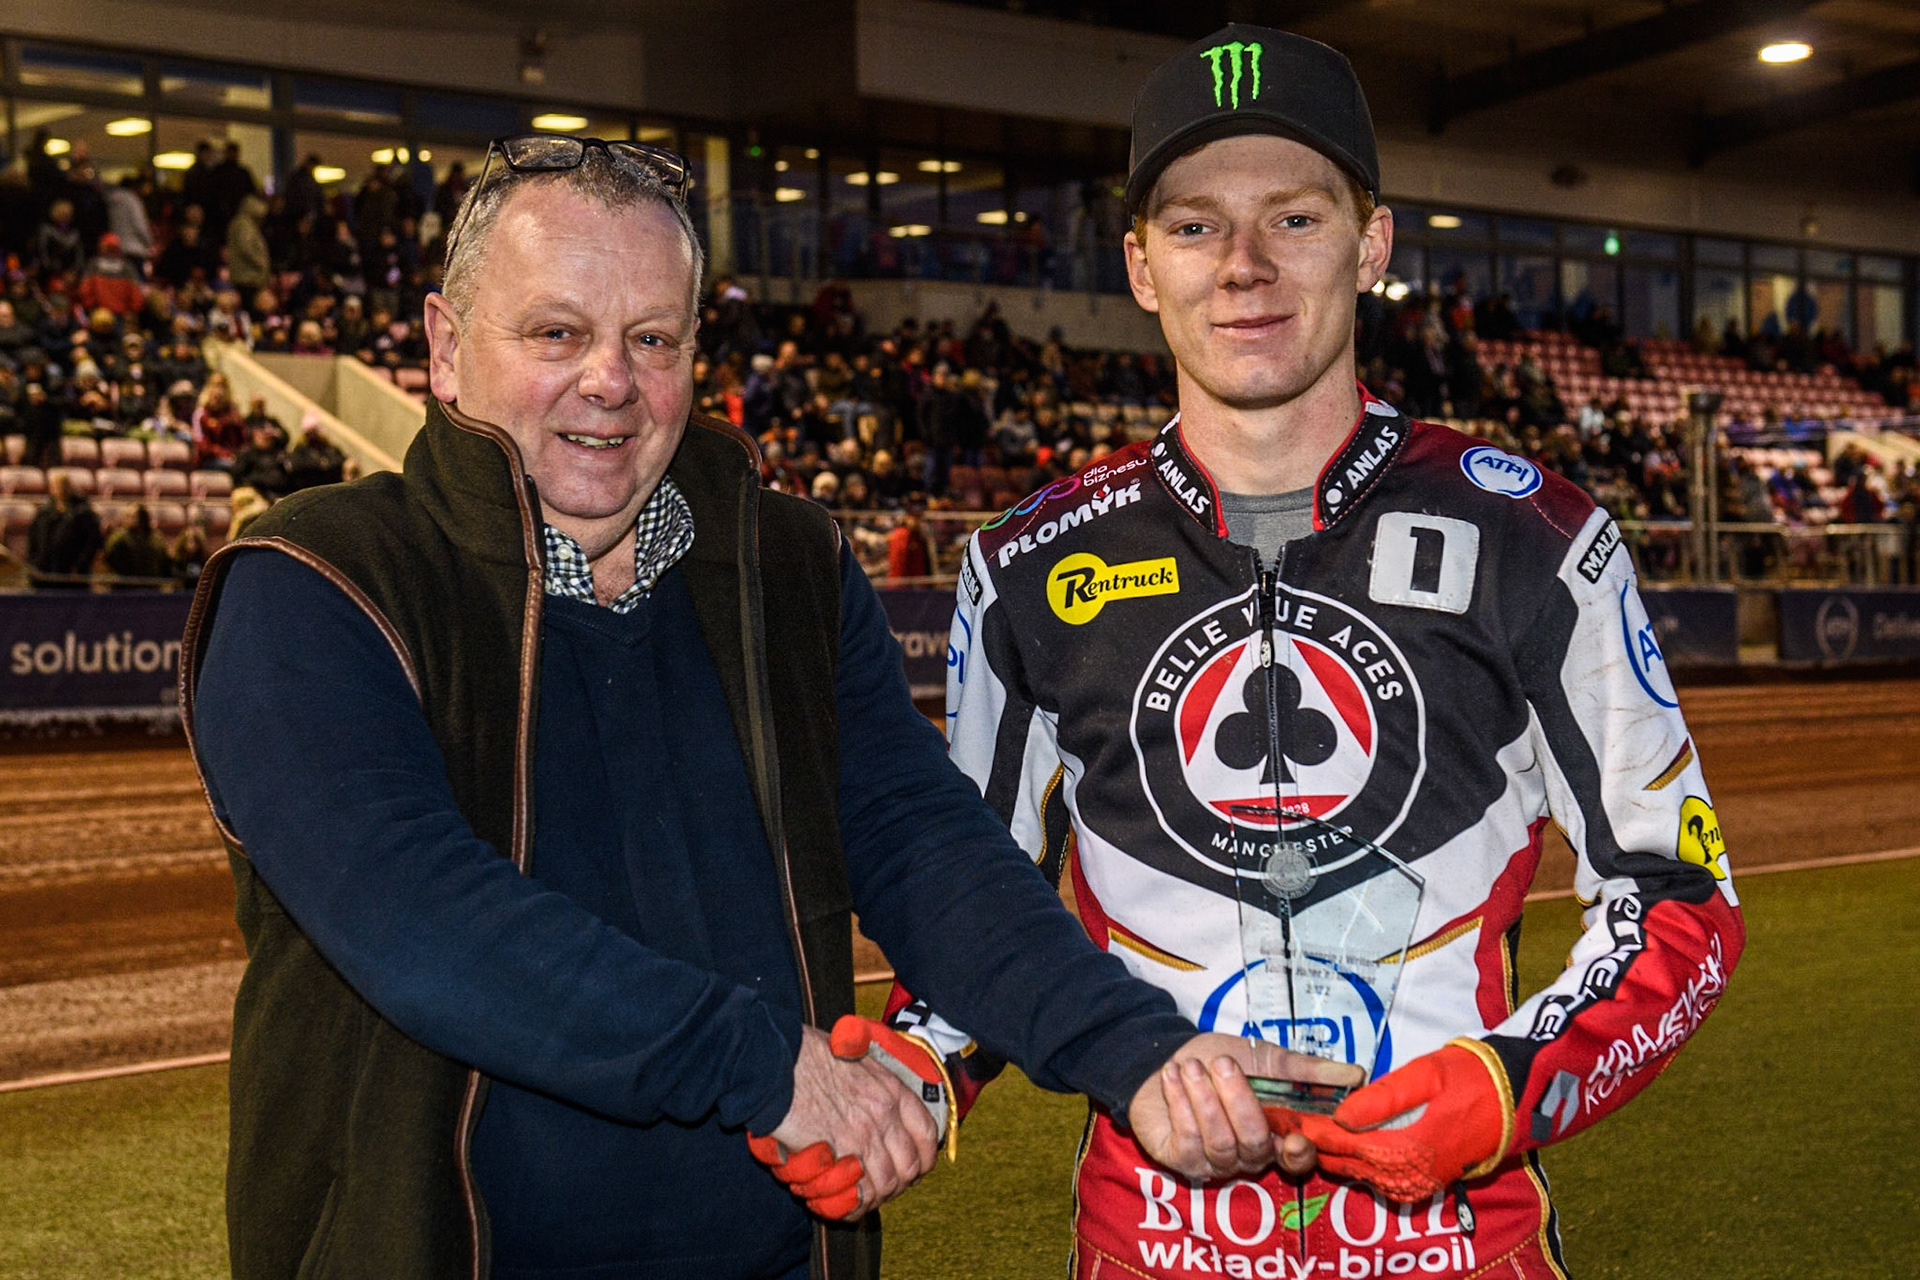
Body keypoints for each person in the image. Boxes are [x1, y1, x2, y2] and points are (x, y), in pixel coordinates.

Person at [182, 136, 1330, 1280]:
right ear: (443, 347)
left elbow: (925, 846)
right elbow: (421, 919)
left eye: (652, 338)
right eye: (555, 334)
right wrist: (764, 1062)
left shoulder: (782, 565)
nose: (609, 381)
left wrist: (1141, 1050)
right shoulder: (313, 582)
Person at [897, 25, 1745, 1280]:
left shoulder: (1534, 534)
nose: (1242, 265)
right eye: (1194, 226)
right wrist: (915, 1074)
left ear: (1374, 242)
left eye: (1293, 217)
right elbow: (979, 913)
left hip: (1460, 1243)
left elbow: (1681, 896)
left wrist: (1510, 1085)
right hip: (1152, 1247)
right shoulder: (1023, 569)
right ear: (1139, 264)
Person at [27, 470, 102, 587]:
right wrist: (34, 564)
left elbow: (92, 543)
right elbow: (33, 540)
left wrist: (80, 565)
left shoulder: (84, 513)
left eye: (64, 485)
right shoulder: (44, 512)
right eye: (57, 485)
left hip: (72, 573)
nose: (60, 489)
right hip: (44, 572)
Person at [102, 503, 173, 584]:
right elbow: (109, 556)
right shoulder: (119, 538)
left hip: (151, 584)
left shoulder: (156, 538)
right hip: (124, 585)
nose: (126, 519)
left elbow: (164, 560)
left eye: (130, 516)